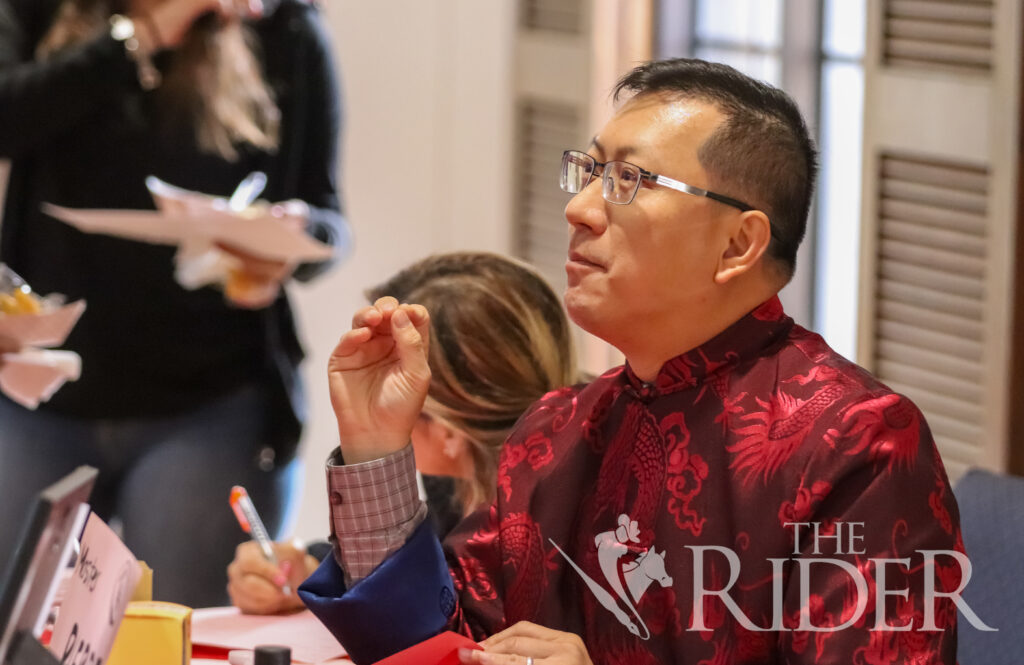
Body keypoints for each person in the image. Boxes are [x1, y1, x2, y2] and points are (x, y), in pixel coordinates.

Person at [298, 59, 968, 665]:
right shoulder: (556, 430)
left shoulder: (855, 441)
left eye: (629, 180)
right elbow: (434, 648)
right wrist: (376, 452)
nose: (579, 207)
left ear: (738, 243)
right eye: (589, 171)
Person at [0, 0, 348, 607]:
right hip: (43, 398)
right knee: (22, 633)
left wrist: (291, 237)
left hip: (210, 403)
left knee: (191, 632)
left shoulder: (283, 26)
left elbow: (327, 219)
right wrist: (148, 31)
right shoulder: (37, 10)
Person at [226, 251, 578, 615]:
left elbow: (414, 613)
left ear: (449, 433)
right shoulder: (462, 480)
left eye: (385, 399)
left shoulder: (557, 537)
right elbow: (414, 568)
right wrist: (313, 568)